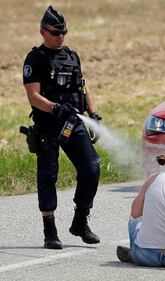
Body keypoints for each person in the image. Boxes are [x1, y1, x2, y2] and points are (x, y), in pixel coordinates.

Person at [22, 6, 102, 249]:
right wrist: (55, 108)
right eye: (55, 33)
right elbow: (33, 96)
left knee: (92, 167)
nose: (60, 37)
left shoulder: (72, 55)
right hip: (48, 125)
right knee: (48, 176)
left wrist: (93, 113)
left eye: (63, 33)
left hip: (74, 123)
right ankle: (50, 231)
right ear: (42, 31)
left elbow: (83, 87)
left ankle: (80, 220)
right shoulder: (35, 59)